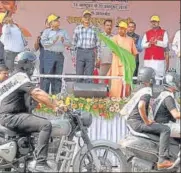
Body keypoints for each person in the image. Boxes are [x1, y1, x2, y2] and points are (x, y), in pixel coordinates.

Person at [0, 51, 66, 172]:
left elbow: (34, 96)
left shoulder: (13, 78)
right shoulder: (20, 77)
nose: (34, 68)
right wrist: (55, 105)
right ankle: (40, 162)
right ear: (26, 64)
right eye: (32, 64)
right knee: (45, 125)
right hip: (11, 116)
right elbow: (37, 93)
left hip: (9, 116)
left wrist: (47, 102)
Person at [125, 67, 173, 169]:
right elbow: (141, 106)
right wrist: (147, 121)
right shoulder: (146, 91)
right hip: (138, 123)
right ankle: (163, 159)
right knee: (165, 129)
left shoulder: (137, 89)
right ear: (150, 79)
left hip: (132, 122)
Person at [41, 14, 71, 94]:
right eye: (55, 20)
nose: (58, 21)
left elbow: (69, 44)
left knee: (58, 77)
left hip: (60, 55)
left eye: (58, 20)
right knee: (47, 76)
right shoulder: (46, 32)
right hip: (49, 55)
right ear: (51, 23)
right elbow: (43, 43)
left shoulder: (63, 31)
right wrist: (52, 41)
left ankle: (56, 96)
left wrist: (63, 41)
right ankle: (45, 96)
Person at [107, 21, 137, 98]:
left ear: (126, 29)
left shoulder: (130, 40)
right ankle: (114, 103)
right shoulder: (114, 38)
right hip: (117, 66)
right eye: (119, 28)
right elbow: (114, 50)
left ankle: (126, 102)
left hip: (127, 67)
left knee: (126, 88)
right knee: (116, 86)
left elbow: (134, 53)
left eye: (122, 29)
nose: (120, 30)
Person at [72, 10, 100, 83]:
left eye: (88, 17)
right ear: (82, 18)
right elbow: (73, 43)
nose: (87, 19)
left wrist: (98, 57)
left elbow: (98, 44)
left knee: (89, 75)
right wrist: (74, 56)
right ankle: (79, 93)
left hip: (90, 52)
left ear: (91, 18)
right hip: (80, 52)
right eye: (85, 17)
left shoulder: (95, 29)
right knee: (79, 74)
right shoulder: (77, 28)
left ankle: (88, 94)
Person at [141, 15, 169, 84]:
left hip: (159, 59)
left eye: (155, 21)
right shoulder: (147, 33)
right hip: (148, 58)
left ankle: (158, 91)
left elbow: (165, 44)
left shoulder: (163, 32)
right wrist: (149, 44)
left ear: (158, 22)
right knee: (148, 76)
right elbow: (142, 45)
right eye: (152, 22)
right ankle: (148, 91)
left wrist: (157, 42)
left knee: (158, 77)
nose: (154, 23)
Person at [152, 73, 180, 138]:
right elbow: (176, 115)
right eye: (178, 82)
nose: (179, 84)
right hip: (166, 126)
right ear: (172, 84)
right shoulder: (168, 97)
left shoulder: (162, 94)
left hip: (160, 125)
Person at [99, 19, 113, 84]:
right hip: (102, 62)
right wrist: (97, 59)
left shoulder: (114, 37)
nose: (109, 27)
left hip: (112, 62)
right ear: (104, 26)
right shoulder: (100, 36)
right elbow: (97, 48)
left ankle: (112, 94)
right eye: (107, 25)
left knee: (112, 81)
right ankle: (100, 94)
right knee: (101, 80)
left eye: (110, 25)